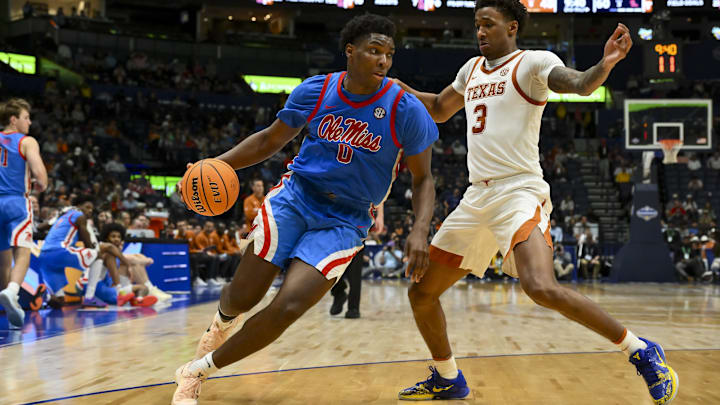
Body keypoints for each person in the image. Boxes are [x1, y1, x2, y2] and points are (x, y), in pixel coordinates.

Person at [393, 1, 677, 403]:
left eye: (488, 24)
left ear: (512, 27)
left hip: (518, 191)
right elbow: (439, 109)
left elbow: (579, 84)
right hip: (477, 195)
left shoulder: (533, 62)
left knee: (541, 287)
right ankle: (447, 377)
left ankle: (640, 350)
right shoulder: (470, 70)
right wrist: (393, 87)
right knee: (421, 293)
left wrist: (606, 64)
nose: (480, 31)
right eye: (476, 25)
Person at [172, 13, 438, 404]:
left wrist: (419, 230)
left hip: (346, 218)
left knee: (289, 304)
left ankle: (196, 371)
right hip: (297, 197)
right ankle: (221, 323)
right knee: (242, 297)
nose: (383, 60)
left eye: (389, 54)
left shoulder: (406, 109)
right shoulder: (317, 90)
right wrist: (215, 164)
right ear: (350, 51)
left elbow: (423, 179)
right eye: (374, 51)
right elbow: (268, 141)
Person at [37, 196, 135, 308]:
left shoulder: (62, 216)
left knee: (59, 302)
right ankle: (89, 297)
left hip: (44, 255)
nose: (90, 211)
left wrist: (57, 217)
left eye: (91, 209)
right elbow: (89, 244)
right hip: (59, 251)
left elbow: (40, 227)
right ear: (78, 206)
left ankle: (44, 297)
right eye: (87, 207)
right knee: (97, 255)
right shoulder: (79, 216)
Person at [0, 98, 48, 329]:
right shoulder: (27, 141)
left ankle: (10, 305)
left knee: (3, 258)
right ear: (13, 119)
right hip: (15, 202)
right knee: (23, 250)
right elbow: (41, 176)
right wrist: (40, 186)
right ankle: (12, 290)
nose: (29, 122)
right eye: (26, 117)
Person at [330, 203, 384, 319]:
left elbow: (381, 190)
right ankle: (338, 292)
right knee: (328, 267)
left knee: (355, 273)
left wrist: (380, 216)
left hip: (358, 222)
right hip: (336, 220)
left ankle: (353, 308)